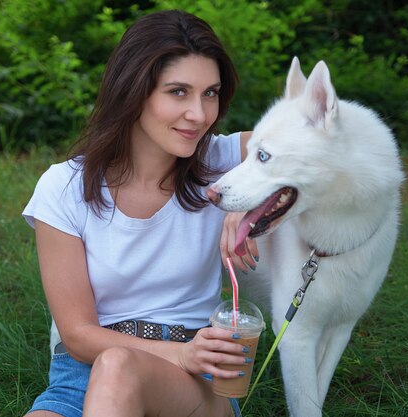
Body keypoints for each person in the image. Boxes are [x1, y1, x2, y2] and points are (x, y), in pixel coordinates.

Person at [22, 9, 257, 417]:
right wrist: (177, 354)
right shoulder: (63, 187)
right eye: (178, 91)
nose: (199, 115)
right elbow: (77, 335)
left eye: (210, 93)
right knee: (114, 366)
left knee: (120, 367)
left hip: (195, 380)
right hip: (82, 374)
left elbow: (325, 143)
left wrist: (252, 201)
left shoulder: (226, 162)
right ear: (134, 90)